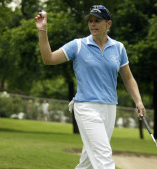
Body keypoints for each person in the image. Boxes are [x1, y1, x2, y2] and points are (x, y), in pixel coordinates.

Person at [35, 5, 146, 169]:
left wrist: (138, 101)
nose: (93, 24)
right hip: (86, 107)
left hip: (109, 108)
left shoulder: (119, 48)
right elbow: (48, 58)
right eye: (91, 21)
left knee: (87, 162)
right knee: (104, 157)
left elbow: (128, 78)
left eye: (97, 21)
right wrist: (42, 31)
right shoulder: (78, 45)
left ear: (108, 24)